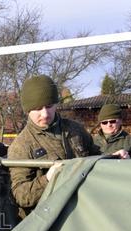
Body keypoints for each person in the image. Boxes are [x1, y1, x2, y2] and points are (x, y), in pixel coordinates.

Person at [8, 75, 117, 221]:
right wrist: (47, 179)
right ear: (27, 110)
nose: (45, 114)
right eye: (37, 108)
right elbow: (21, 196)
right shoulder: (21, 145)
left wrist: (113, 157)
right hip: (47, 219)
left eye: (49, 106)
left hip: (83, 210)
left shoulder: (75, 130)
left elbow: (95, 157)